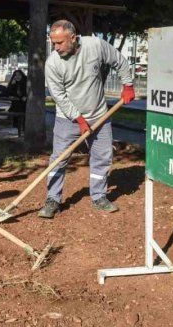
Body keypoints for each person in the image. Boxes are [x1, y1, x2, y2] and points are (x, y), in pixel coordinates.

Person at [39, 20, 136, 219]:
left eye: (60, 43)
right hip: (67, 119)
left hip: (100, 114)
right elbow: (59, 97)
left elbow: (119, 60)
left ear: (73, 38)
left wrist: (127, 85)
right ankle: (53, 199)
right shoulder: (53, 63)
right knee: (59, 158)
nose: (56, 48)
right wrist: (79, 120)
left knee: (102, 157)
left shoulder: (95, 46)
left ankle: (99, 196)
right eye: (53, 43)